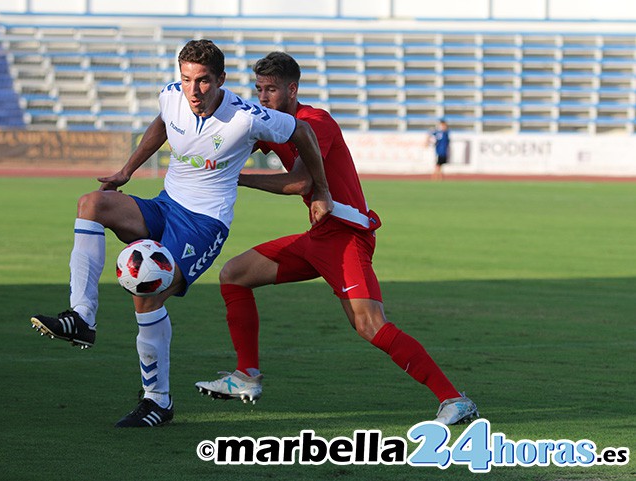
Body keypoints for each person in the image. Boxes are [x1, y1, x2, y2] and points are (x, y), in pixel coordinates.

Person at [29, 40, 333, 428]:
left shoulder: (246, 116)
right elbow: (162, 122)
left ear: (221, 80)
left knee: (148, 291)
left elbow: (302, 130)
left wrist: (320, 189)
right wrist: (127, 169)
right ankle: (81, 317)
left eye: (203, 81)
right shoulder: (172, 96)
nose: (193, 90)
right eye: (187, 79)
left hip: (204, 225)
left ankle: (157, 401)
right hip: (165, 205)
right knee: (92, 203)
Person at [195, 52, 477, 425]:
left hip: (346, 236)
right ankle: (246, 376)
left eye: (271, 89)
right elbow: (234, 140)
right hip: (318, 237)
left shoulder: (315, 122)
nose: (263, 97)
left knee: (370, 325)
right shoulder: (272, 120)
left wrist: (234, 177)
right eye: (259, 88)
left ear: (292, 89)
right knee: (234, 274)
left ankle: (455, 399)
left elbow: (299, 182)